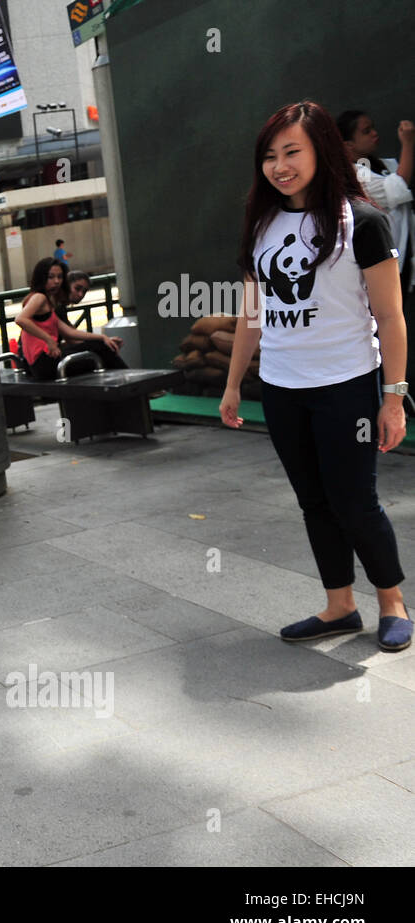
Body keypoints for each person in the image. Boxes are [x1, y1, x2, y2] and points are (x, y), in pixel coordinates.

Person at [222, 100, 410, 653]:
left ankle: (393, 602)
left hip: (346, 384)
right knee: (314, 501)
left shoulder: (363, 221)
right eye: (270, 156)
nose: (280, 166)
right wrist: (235, 384)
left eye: (292, 152)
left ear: (321, 150)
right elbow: (251, 314)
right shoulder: (261, 224)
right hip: (283, 390)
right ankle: (339, 605)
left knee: (355, 501)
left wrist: (394, 397)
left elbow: (391, 318)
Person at [337, 109, 415, 382]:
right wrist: (408, 143)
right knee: (380, 327)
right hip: (375, 268)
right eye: (365, 131)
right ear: (347, 146)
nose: (374, 134)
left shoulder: (384, 165)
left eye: (373, 128)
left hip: (401, 263)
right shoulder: (357, 175)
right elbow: (397, 188)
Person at [14, 258, 124, 380]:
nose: (56, 281)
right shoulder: (39, 297)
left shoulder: (48, 303)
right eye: (51, 277)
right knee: (101, 351)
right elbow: (21, 319)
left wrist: (103, 338)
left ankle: (125, 384)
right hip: (44, 363)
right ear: (41, 277)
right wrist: (48, 340)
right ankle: (129, 382)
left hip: (45, 363)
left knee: (101, 347)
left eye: (60, 277)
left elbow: (70, 332)